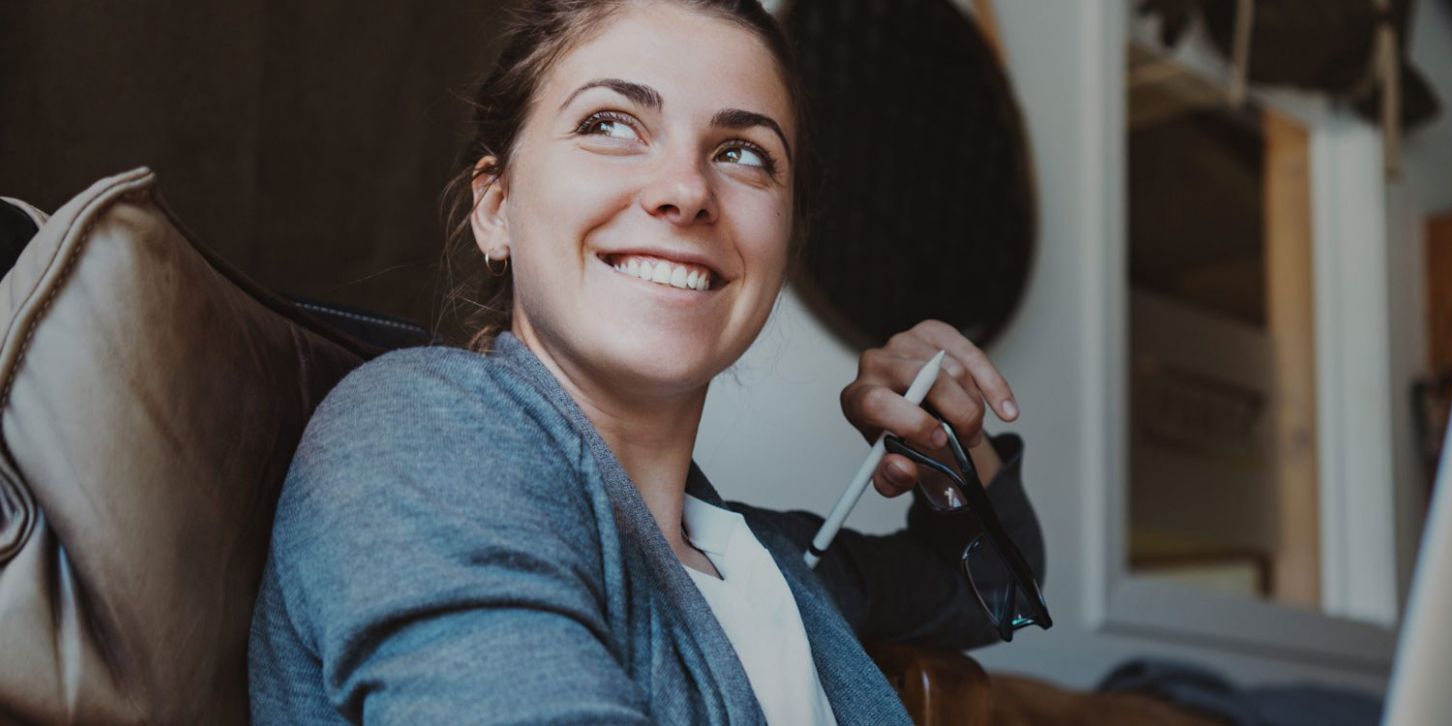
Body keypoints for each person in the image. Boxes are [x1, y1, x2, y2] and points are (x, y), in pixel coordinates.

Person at [246, 1, 1044, 723]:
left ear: (782, 244)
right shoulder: (417, 433)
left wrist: (947, 441)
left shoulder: (777, 561)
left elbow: (996, 601)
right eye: (610, 123)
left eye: (742, 152)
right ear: (496, 209)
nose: (686, 190)